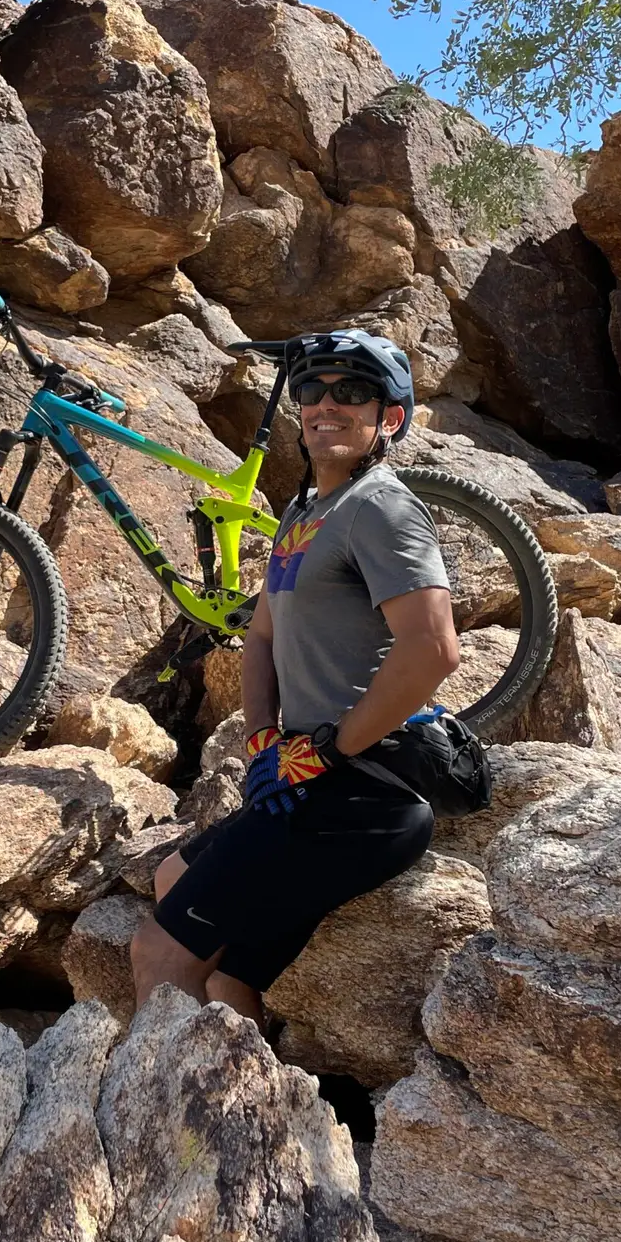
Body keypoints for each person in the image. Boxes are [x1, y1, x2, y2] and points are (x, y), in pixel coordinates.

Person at [130, 330, 460, 1027]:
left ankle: (164, 1097)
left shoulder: (382, 507)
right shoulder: (305, 513)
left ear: (389, 418)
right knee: (183, 900)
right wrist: (263, 741)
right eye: (313, 389)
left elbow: (432, 649)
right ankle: (242, 1080)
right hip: (311, 781)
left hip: (363, 794)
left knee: (161, 950)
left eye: (352, 392)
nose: (326, 404)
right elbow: (262, 635)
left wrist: (327, 751)